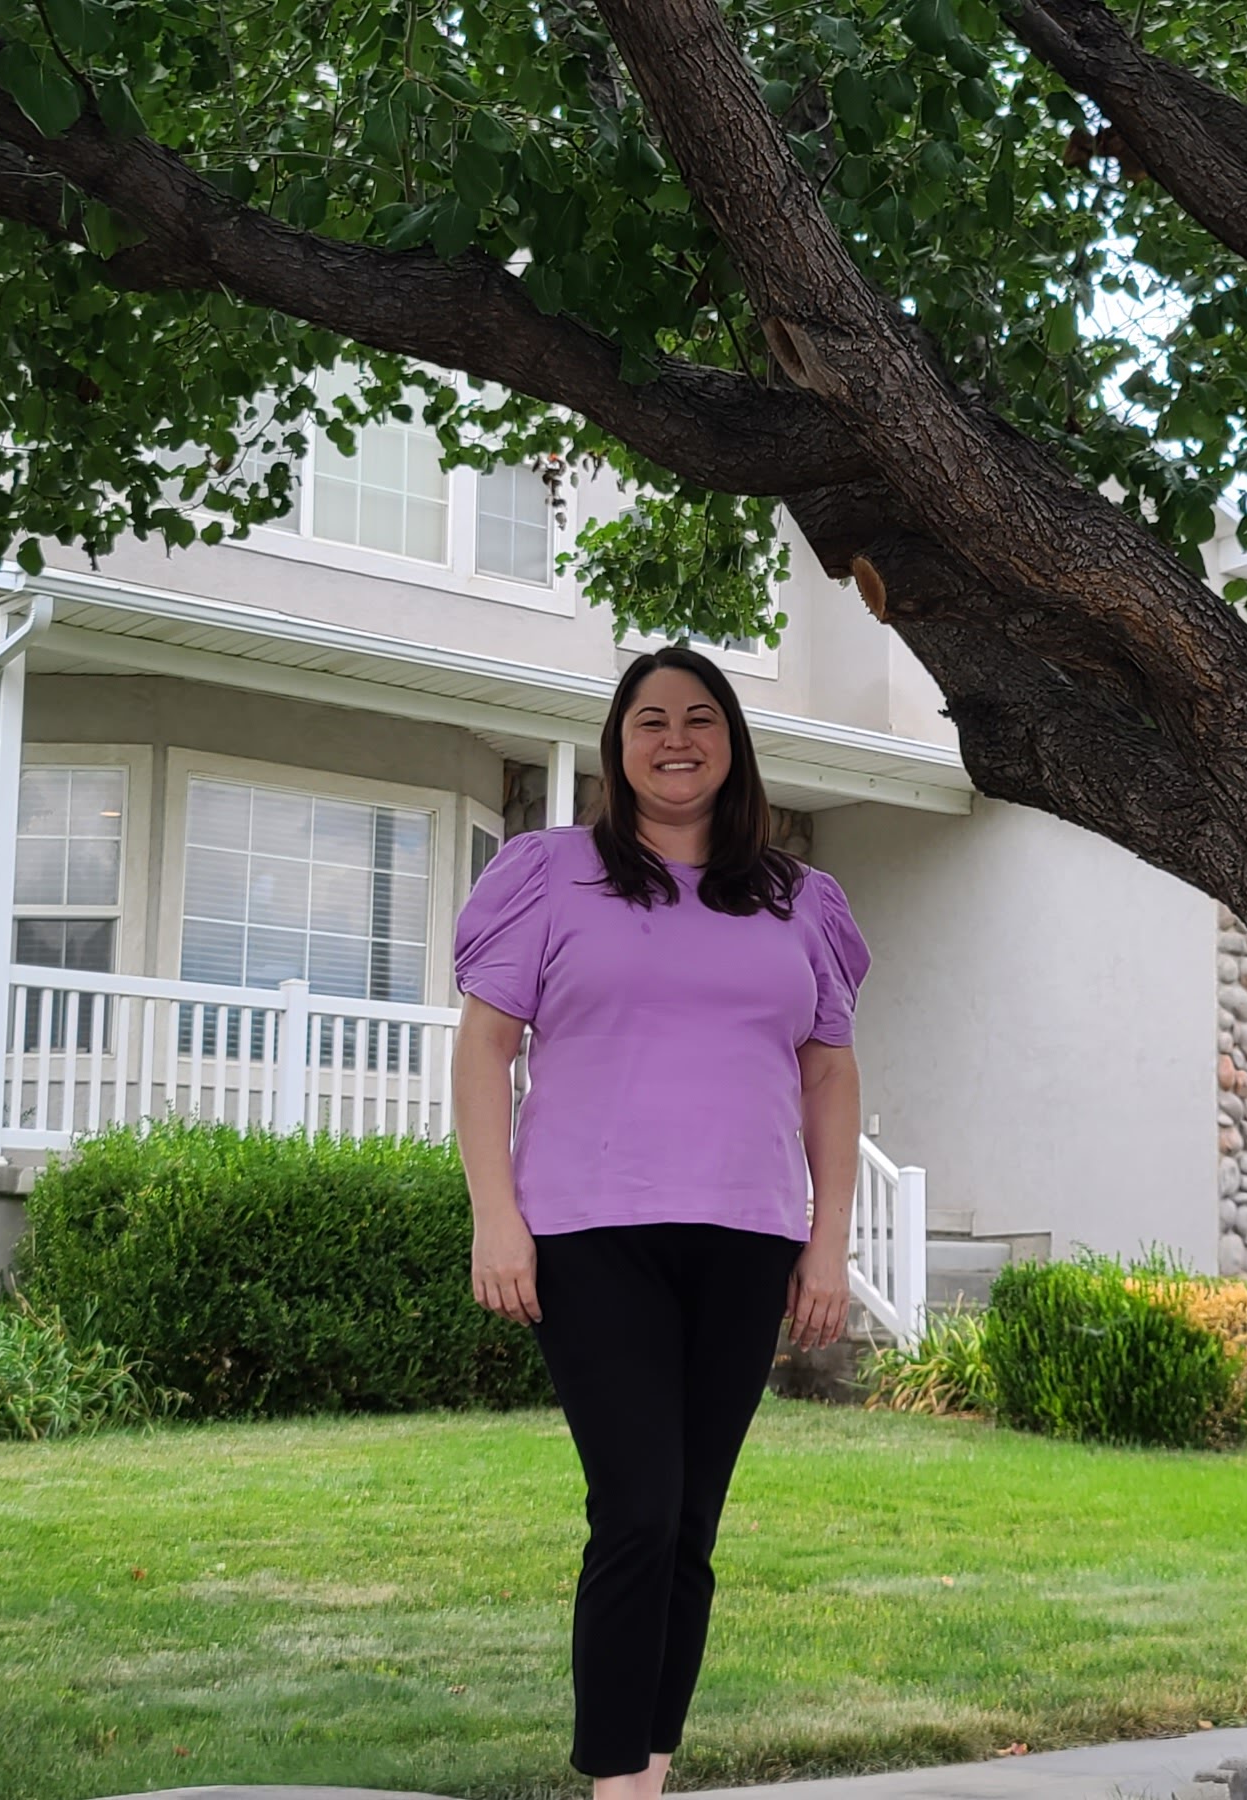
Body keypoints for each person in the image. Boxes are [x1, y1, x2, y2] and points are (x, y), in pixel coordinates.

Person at [451, 643, 869, 1798]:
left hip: (745, 1239)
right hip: (591, 1235)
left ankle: (648, 1777)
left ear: (731, 743)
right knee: (633, 1510)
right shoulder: (549, 873)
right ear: (616, 745)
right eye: (649, 720)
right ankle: (608, 1784)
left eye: (698, 717)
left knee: (688, 1524)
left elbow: (828, 1076)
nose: (674, 738)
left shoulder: (798, 899)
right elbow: (485, 1053)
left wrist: (826, 1241)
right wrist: (497, 1215)